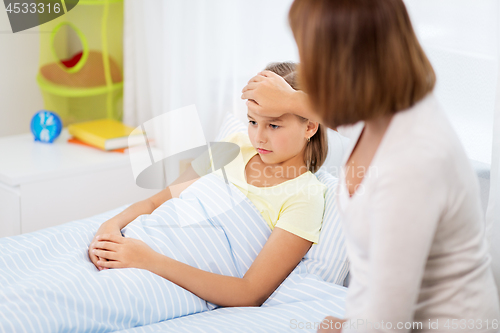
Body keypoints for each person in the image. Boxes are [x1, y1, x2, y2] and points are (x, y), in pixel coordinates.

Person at [241, 0, 500, 332]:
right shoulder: (387, 112)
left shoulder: (414, 161)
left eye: (315, 55)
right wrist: (290, 99)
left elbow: (387, 321)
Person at [87, 62, 330, 308]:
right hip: (138, 241)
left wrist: (148, 260)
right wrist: (111, 225)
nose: (259, 137)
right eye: (253, 122)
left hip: (157, 272)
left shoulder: (305, 196)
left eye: (274, 125)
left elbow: (249, 293)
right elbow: (156, 201)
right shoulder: (234, 145)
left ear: (309, 126)